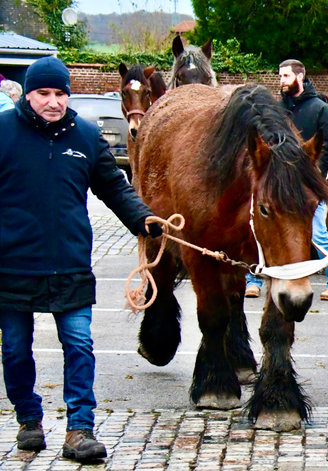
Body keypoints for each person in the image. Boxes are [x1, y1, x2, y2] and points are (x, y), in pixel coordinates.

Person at [0, 56, 163, 463]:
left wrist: (142, 219)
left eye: (60, 93)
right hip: (11, 265)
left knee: (79, 346)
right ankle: (28, 419)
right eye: (44, 94)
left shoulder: (86, 137)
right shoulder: (2, 133)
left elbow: (114, 187)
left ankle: (79, 429)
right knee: (16, 350)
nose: (53, 102)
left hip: (70, 262)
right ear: (28, 94)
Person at [244, 59, 328, 301]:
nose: (281, 81)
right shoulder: (278, 110)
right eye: (280, 76)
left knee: (318, 233)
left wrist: (314, 172)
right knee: (258, 228)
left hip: (307, 185)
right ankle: (253, 280)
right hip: (280, 184)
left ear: (300, 76)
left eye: (286, 76)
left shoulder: (321, 109)